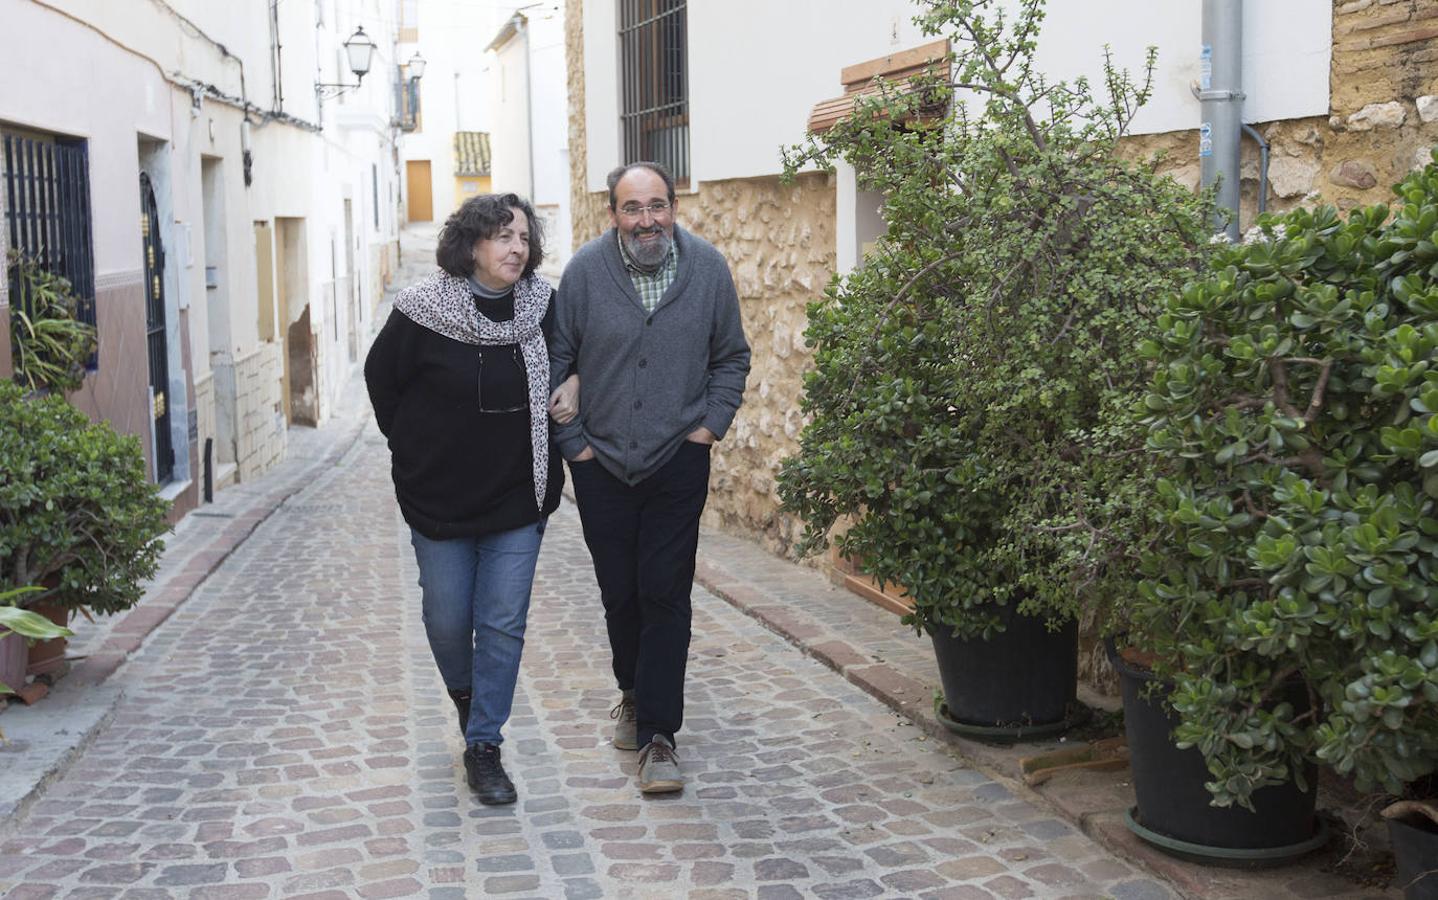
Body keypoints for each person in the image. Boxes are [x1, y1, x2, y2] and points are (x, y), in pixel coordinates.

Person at [364, 193, 576, 805]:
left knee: (502, 624)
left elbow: (571, 361)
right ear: (471, 245)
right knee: (447, 619)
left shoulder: (542, 307)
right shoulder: (421, 311)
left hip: (520, 495)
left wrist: (577, 383)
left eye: (524, 238)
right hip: (441, 501)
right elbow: (384, 385)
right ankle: (466, 693)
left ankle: (484, 745)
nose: (518, 248)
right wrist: (417, 451)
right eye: (503, 237)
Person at [549, 161, 751, 794]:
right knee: (620, 591)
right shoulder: (584, 273)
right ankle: (633, 691)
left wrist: (707, 429)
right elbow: (556, 360)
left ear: (674, 207)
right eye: (632, 208)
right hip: (601, 464)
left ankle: (660, 735)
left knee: (664, 591)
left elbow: (731, 357)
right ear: (613, 214)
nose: (647, 220)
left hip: (676, 462)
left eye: (657, 205)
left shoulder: (709, 270)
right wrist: (574, 447)